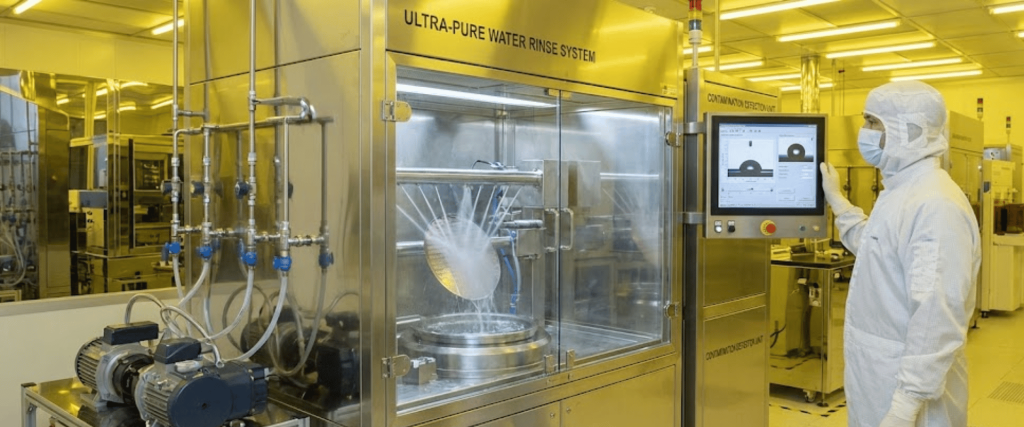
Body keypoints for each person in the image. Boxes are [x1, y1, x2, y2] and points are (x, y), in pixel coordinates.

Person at [819, 80, 980, 427]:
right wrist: (838, 201)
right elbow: (875, 248)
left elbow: (936, 315)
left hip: (907, 390)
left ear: (909, 130)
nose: (865, 132)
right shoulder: (901, 192)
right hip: (880, 376)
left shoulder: (934, 204)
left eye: (872, 122)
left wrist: (906, 406)